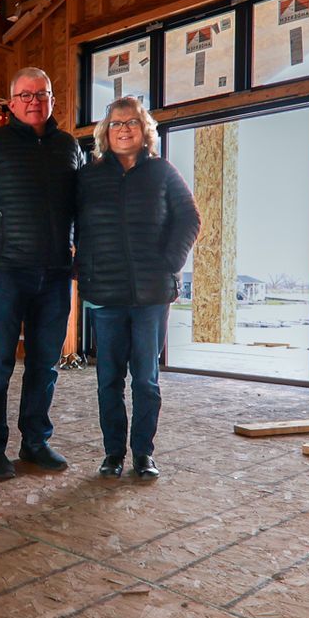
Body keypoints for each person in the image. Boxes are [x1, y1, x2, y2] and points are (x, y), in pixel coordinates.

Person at [0, 68, 85, 480]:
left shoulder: (69, 147)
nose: (33, 101)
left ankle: (35, 443)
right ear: (11, 103)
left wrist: (81, 257)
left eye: (41, 94)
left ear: (51, 100)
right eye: (25, 95)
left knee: (46, 363)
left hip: (55, 275)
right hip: (6, 273)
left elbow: (80, 210)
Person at [75, 96, 200, 480]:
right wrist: (81, 267)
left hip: (151, 296)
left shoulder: (162, 172)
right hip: (104, 294)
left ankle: (143, 454)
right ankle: (113, 453)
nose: (124, 128)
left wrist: (169, 264)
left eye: (131, 122)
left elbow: (189, 218)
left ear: (144, 131)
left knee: (145, 378)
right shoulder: (90, 177)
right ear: (105, 132)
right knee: (108, 378)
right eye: (116, 123)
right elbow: (70, 222)